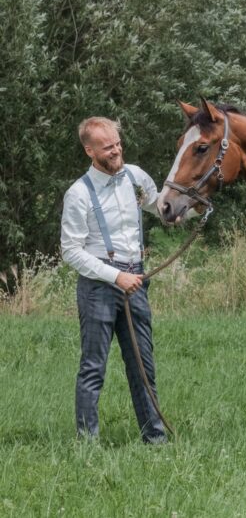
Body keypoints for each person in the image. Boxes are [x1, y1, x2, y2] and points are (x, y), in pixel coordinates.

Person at [60, 116, 167, 444]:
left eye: (118, 144)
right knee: (93, 368)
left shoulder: (135, 176)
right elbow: (71, 251)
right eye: (108, 148)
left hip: (135, 283)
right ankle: (87, 445)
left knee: (142, 366)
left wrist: (197, 208)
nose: (116, 151)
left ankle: (155, 440)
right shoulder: (78, 194)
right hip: (98, 288)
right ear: (89, 150)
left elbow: (161, 207)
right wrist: (115, 276)